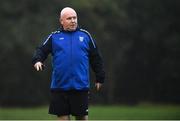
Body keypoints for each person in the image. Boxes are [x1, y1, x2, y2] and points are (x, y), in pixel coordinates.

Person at [32, 7, 105, 120]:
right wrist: (37, 60)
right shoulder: (54, 36)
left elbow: (96, 57)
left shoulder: (85, 36)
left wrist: (100, 77)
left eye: (75, 18)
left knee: (82, 118)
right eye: (69, 18)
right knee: (63, 119)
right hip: (60, 87)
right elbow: (41, 50)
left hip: (80, 87)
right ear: (61, 21)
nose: (73, 21)